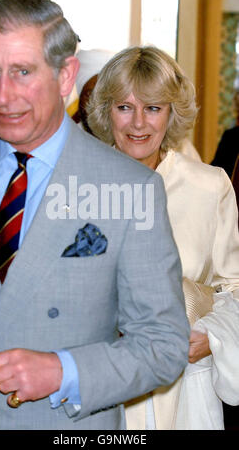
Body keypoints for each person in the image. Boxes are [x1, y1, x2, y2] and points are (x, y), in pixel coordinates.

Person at [0, 0, 189, 430]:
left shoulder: (131, 187)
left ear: (66, 76)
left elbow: (163, 346)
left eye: (23, 72)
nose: (3, 95)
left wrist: (63, 371)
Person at [87, 45, 239, 430]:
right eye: (125, 107)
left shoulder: (209, 186)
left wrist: (212, 337)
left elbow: (234, 287)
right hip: (97, 387)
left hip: (184, 390)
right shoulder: (74, 186)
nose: (139, 123)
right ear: (106, 111)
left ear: (171, 114)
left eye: (153, 108)